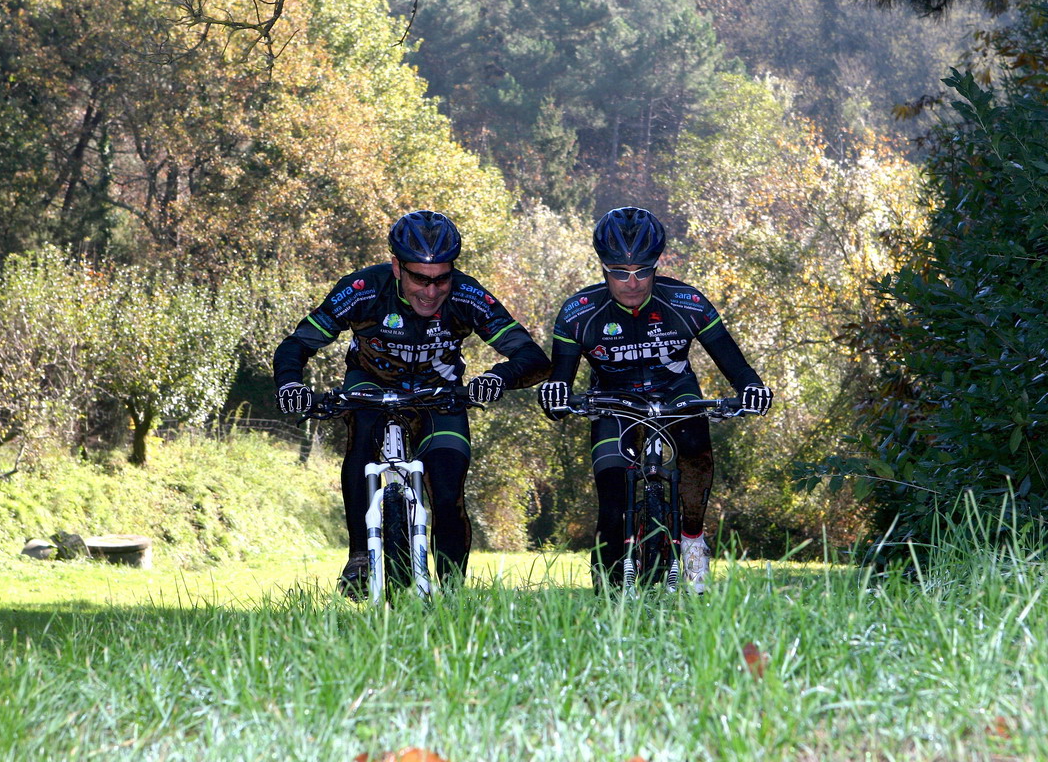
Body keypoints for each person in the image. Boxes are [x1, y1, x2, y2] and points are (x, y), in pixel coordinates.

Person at [274, 210, 550, 597]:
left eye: (442, 279)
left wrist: (496, 378)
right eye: (420, 278)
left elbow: (533, 357)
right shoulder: (363, 289)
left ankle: (452, 593)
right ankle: (358, 557)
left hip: (440, 395)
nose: (432, 291)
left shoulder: (468, 294)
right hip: (371, 384)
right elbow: (297, 344)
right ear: (396, 266)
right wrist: (290, 385)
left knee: (448, 490)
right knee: (361, 443)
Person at [537, 206, 772, 593]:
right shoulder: (578, 313)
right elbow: (560, 383)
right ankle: (610, 595)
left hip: (675, 391)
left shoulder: (688, 302)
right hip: (613, 400)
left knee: (695, 447)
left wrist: (752, 388)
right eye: (619, 272)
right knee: (612, 498)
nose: (632, 283)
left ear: (656, 266)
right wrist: (555, 395)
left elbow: (736, 365)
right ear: (602, 269)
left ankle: (693, 539)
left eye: (642, 270)